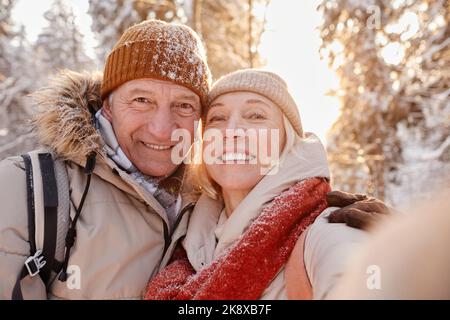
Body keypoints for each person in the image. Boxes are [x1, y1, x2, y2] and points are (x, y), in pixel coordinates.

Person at [0, 20, 387, 300]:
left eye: (184, 105)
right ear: (108, 104)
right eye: (141, 99)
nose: (163, 128)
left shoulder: (320, 232)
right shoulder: (26, 189)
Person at [144, 69, 387, 300]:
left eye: (256, 116)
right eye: (218, 118)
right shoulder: (184, 247)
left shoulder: (327, 233)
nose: (231, 131)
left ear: (287, 141)